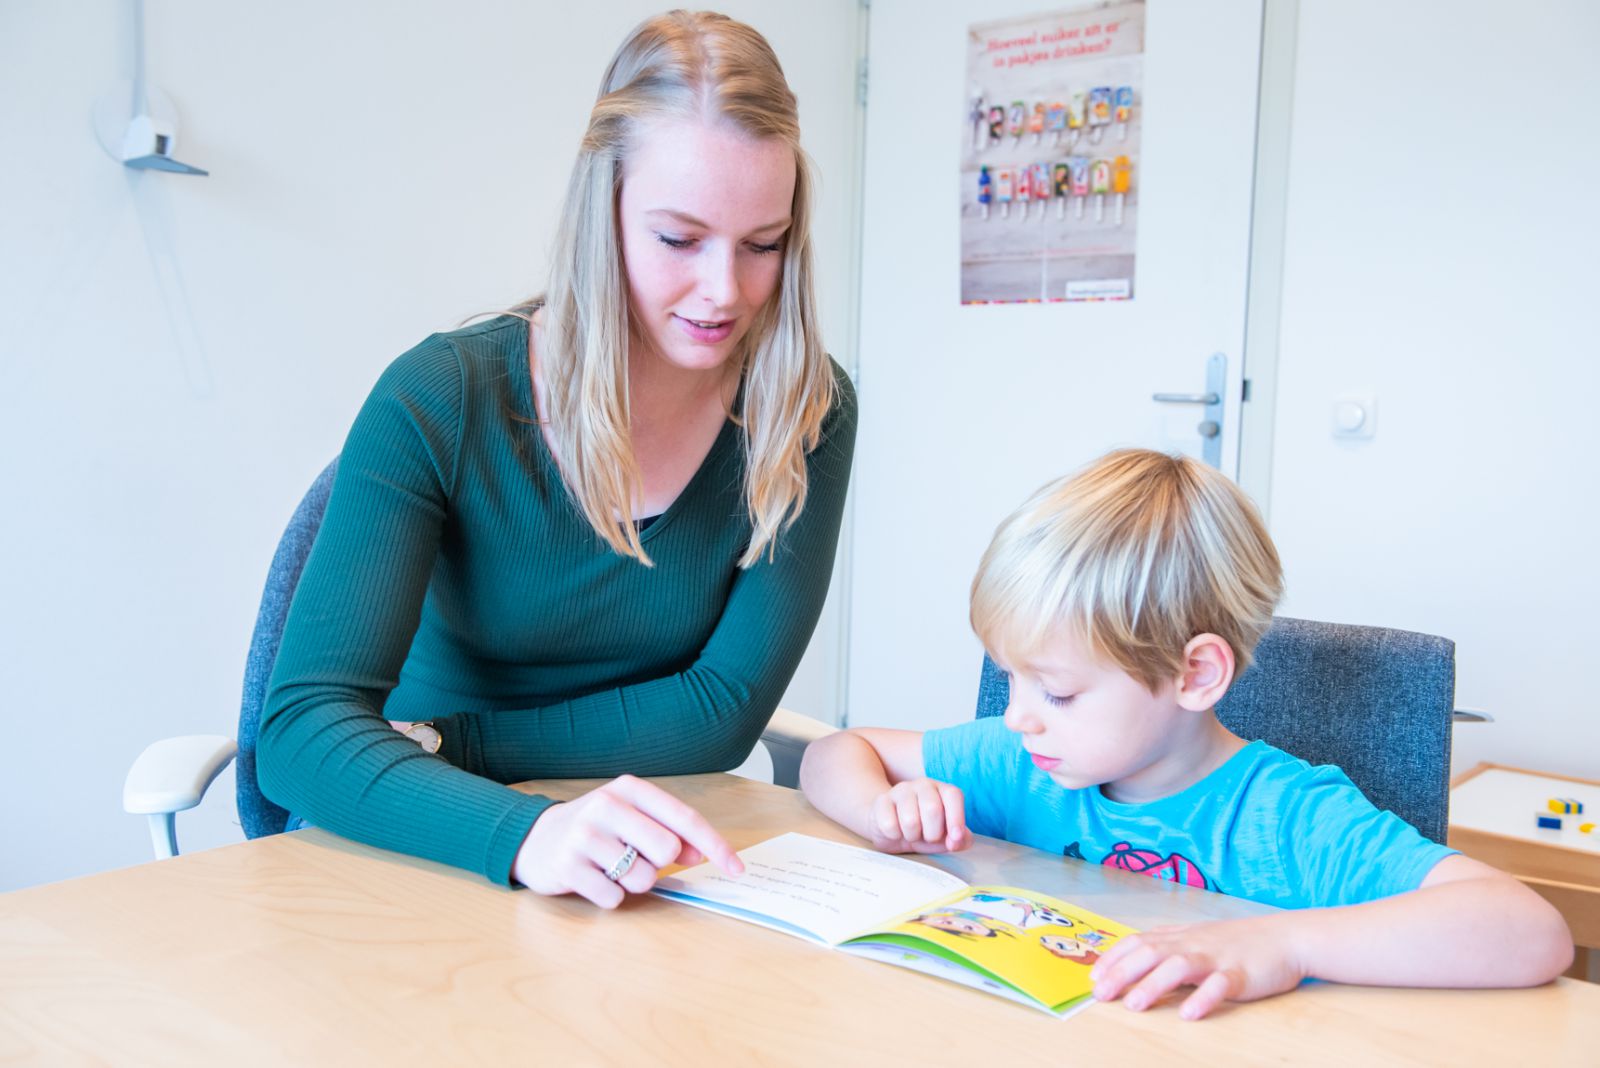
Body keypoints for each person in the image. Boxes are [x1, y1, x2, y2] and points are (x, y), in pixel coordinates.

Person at [259, 10, 856, 908]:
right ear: (601, 212)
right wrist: (526, 829)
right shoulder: (439, 396)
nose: (724, 291)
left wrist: (452, 742)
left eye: (762, 245)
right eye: (678, 239)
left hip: (646, 850)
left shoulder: (806, 407)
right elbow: (302, 732)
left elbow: (722, 712)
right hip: (432, 831)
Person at [799, 449, 1570, 1019]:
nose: (1017, 715)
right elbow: (836, 752)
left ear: (1195, 674)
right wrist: (880, 810)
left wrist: (1285, 944)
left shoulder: (1287, 817)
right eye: (1011, 679)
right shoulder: (1021, 758)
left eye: (1057, 691)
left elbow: (1531, 931)